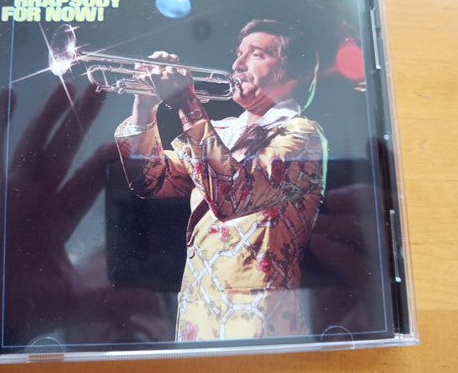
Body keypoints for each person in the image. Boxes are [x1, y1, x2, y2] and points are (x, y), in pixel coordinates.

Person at [114, 19, 327, 341]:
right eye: (239, 53)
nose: (238, 64)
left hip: (259, 319)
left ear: (296, 74)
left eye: (256, 54)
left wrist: (187, 104)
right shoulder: (222, 131)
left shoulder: (303, 135)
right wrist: (145, 106)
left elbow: (234, 196)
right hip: (198, 314)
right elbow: (151, 180)